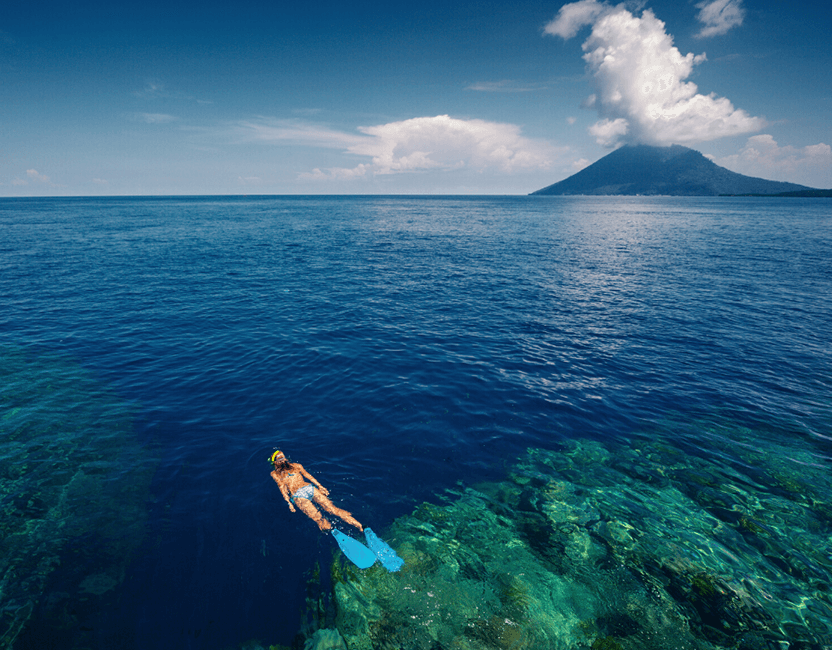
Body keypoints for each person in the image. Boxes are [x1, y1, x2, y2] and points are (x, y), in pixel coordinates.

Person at [269, 450, 363, 532]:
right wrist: (289, 502)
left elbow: (286, 486)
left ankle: (346, 528)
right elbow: (285, 486)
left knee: (325, 514)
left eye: (282, 458)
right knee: (326, 513)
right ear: (279, 461)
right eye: (281, 458)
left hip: (304, 492)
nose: (282, 460)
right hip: (304, 492)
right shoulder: (285, 470)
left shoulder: (286, 470)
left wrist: (320, 486)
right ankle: (348, 527)